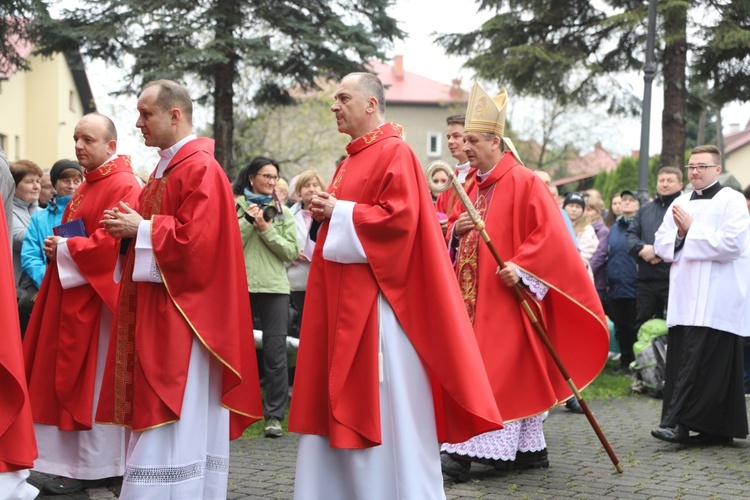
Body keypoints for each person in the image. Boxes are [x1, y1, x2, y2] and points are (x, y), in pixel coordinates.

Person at [288, 72, 503, 499]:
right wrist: (329, 214)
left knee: (386, 409)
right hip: (344, 303)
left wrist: (342, 212)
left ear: (371, 104)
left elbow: (400, 224)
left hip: (379, 309)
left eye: (343, 98)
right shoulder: (349, 160)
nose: (334, 105)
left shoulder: (396, 152)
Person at [96, 80, 263, 498]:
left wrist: (144, 229)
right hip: (160, 308)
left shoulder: (199, 168)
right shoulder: (165, 167)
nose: (138, 123)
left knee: (175, 406)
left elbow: (201, 244)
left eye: (145, 113)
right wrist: (130, 230)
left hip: (184, 320)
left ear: (175, 115)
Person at [436, 83, 608, 480]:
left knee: (497, 369)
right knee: (511, 370)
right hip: (474, 296)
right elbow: (462, 235)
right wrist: (457, 232)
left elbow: (551, 237)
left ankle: (464, 453)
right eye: (464, 140)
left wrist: (523, 267)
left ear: (496, 141)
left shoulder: (524, 180)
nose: (466, 147)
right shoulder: (474, 184)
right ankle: (531, 451)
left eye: (474, 140)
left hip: (509, 294)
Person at [22, 114, 141, 495]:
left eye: (87, 139)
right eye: (75, 138)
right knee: (73, 382)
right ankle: (79, 464)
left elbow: (113, 244)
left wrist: (68, 248)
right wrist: (61, 248)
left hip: (101, 308)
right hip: (77, 297)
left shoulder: (123, 184)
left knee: (95, 387)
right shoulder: (90, 185)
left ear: (110, 146)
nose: (78, 146)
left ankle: (102, 465)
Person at [651, 145, 750, 445]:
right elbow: (660, 244)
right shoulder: (680, 202)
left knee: (709, 364)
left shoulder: (731, 200)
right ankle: (697, 426)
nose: (694, 171)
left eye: (701, 166)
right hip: (686, 297)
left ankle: (687, 425)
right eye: (691, 166)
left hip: (718, 298)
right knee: (683, 358)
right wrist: (681, 235)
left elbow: (732, 245)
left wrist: (692, 230)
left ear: (717, 169)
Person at [233, 156, 298, 438]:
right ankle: (235, 410)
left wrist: (266, 229)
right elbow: (230, 243)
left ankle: (273, 417)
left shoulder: (282, 212)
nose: (271, 182)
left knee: (275, 354)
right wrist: (249, 221)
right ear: (251, 177)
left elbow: (291, 252)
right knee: (237, 352)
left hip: (274, 289)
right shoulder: (234, 206)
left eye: (275, 178)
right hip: (241, 286)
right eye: (266, 176)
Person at [0, 148, 39, 500]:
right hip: (19, 290)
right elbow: (23, 245)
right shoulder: (22, 216)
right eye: (31, 181)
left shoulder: (38, 213)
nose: (36, 187)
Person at [18, 160, 84, 336]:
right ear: (54, 183)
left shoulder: (86, 213)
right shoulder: (40, 218)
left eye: (76, 181)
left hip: (79, 289)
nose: (71, 186)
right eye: (66, 180)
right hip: (45, 287)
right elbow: (30, 256)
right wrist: (47, 281)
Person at [626, 167, 684, 333]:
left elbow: (686, 237)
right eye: (661, 180)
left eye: (669, 181)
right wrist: (643, 249)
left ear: (680, 184)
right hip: (646, 281)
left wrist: (658, 251)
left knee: (674, 328)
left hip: (672, 280)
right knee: (643, 326)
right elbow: (631, 235)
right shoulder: (645, 210)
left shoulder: (684, 209)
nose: (664, 184)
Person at [287, 169, 326, 344]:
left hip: (322, 279)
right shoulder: (286, 215)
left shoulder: (329, 213)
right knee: (300, 330)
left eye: (315, 185)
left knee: (320, 329)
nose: (311, 189)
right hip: (297, 282)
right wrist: (295, 255)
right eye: (306, 186)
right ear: (299, 191)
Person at [606, 189, 640, 372]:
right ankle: (625, 362)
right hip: (616, 285)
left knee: (634, 326)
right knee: (620, 327)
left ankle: (637, 363)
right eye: (623, 200)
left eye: (630, 200)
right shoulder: (615, 228)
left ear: (638, 204)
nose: (625, 203)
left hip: (634, 285)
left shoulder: (640, 226)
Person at [436, 114, 477, 226]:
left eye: (456, 136)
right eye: (448, 137)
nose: (450, 141)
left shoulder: (479, 176)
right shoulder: (450, 180)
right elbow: (439, 212)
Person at [9, 160, 42, 289]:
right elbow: (20, 238)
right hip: (17, 287)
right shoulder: (7, 211)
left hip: (38, 284)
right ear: (14, 186)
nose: (36, 187)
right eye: (29, 182)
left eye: (38, 181)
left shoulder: (42, 212)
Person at [563, 191, 598, 280]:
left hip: (578, 275)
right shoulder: (557, 224)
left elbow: (584, 256)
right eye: (571, 205)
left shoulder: (587, 229)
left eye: (578, 206)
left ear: (582, 210)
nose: (574, 209)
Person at [585, 195, 610, 307]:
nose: (586, 212)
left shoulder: (602, 231)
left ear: (598, 213)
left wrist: (585, 270)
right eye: (584, 209)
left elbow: (600, 254)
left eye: (589, 210)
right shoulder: (580, 228)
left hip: (597, 281)